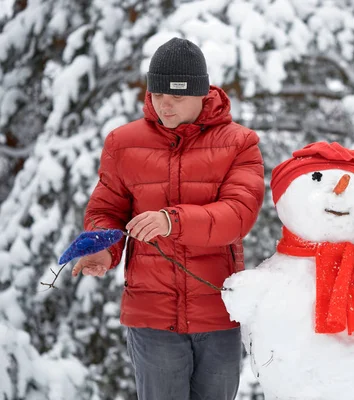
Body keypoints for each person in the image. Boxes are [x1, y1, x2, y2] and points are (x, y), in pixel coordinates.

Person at [71, 37, 265, 400]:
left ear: (201, 93)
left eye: (176, 97)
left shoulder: (239, 143)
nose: (165, 105)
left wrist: (172, 221)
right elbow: (106, 211)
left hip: (217, 311)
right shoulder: (122, 143)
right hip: (152, 313)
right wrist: (102, 248)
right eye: (158, 94)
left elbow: (239, 215)